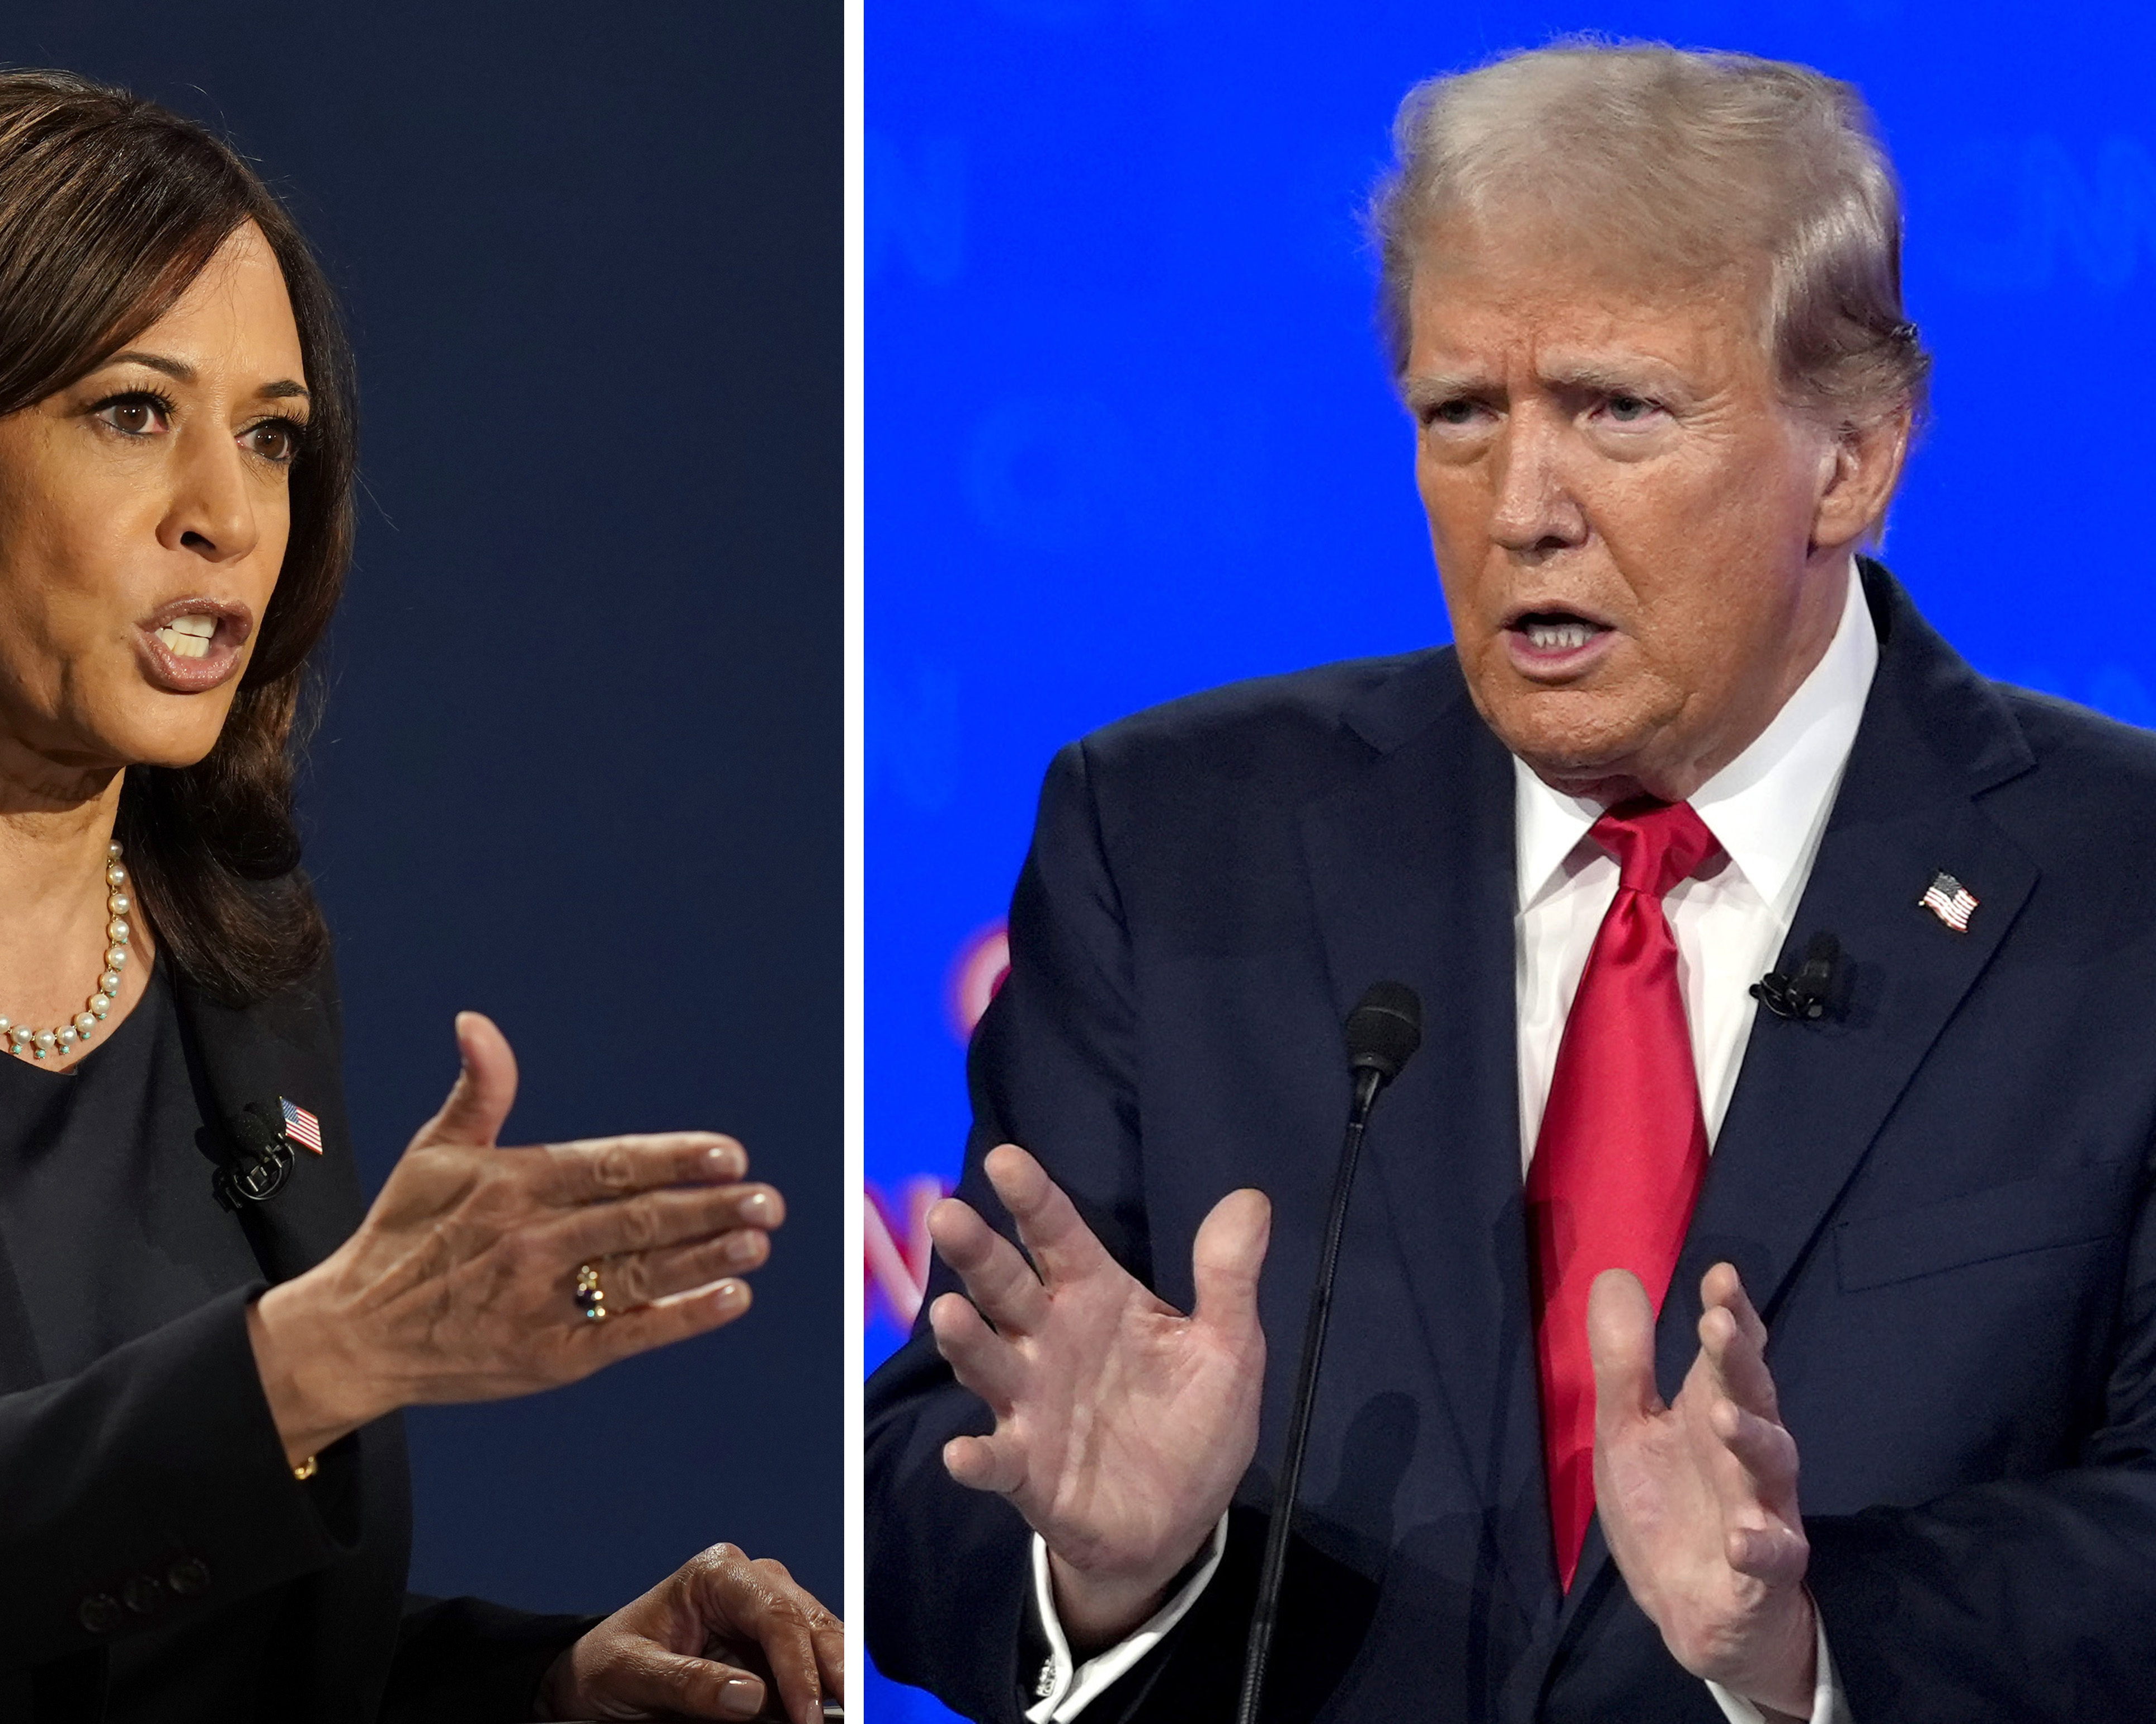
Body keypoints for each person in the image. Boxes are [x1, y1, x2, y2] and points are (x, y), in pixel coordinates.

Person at [866, 40, 2156, 1724]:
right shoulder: (1171, 835)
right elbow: (929, 1471)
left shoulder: (2119, 885)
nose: (1522, 509)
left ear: (1851, 454)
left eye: (1617, 407)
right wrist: (1104, 1565)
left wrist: (1817, 1636)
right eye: (1462, 414)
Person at [0, 71, 840, 1723]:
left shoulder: (228, 945)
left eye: (272, 436)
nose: (228, 519)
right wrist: (308, 1363)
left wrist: (545, 1684)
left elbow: (181, 1630)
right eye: (131, 411)